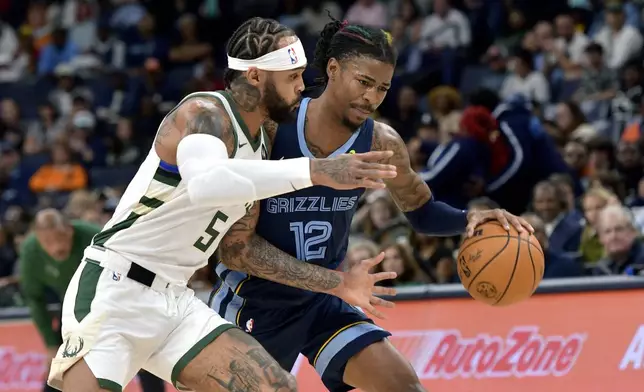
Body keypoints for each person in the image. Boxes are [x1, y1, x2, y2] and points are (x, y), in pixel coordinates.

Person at [48, 17, 398, 392]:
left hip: (175, 300)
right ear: (255, 76)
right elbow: (205, 185)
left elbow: (240, 243)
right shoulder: (205, 112)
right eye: (292, 77)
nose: (301, 88)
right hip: (116, 291)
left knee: (276, 387)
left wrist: (337, 282)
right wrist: (315, 170)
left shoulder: (263, 142)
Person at [215, 19, 533, 392]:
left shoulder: (380, 142)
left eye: (383, 88)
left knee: (405, 387)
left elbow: (422, 211)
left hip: (324, 302)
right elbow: (237, 250)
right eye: (363, 82)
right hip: (256, 302)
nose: (372, 97)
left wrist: (470, 220)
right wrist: (336, 283)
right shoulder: (271, 128)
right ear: (332, 69)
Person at [19, 209, 166, 392]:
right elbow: (35, 299)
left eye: (60, 238)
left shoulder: (94, 235)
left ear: (70, 229)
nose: (57, 247)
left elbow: (132, 270)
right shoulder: (31, 251)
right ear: (38, 239)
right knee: (58, 366)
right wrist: (50, 343)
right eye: (47, 242)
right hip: (74, 310)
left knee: (144, 360)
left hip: (117, 304)